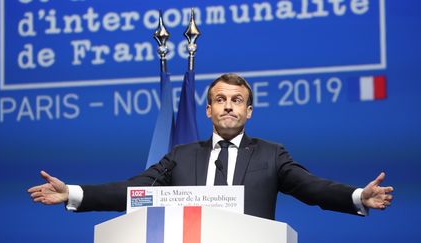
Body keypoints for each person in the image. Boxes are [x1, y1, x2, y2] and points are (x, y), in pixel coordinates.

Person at [28, 73, 393, 220]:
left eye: (237, 99)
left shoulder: (271, 155)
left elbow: (313, 187)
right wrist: (73, 193)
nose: (228, 105)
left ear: (249, 111)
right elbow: (134, 192)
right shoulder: (181, 156)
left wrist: (358, 196)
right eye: (220, 99)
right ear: (208, 110)